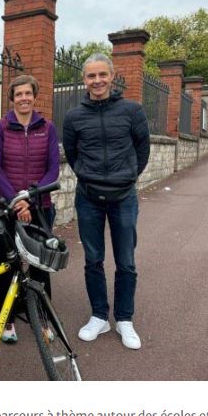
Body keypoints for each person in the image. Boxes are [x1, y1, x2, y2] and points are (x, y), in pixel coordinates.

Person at [62, 53, 150, 350]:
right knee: (93, 259)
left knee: (126, 261)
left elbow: (142, 150)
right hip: (88, 198)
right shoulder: (74, 117)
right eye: (91, 76)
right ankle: (99, 315)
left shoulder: (132, 111)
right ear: (84, 80)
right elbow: (73, 156)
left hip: (124, 197)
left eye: (102, 75)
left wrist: (127, 177)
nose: (97, 81)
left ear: (111, 76)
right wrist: (89, 176)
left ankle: (125, 319)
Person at [0, 74, 60, 343]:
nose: (24, 98)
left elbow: (53, 168)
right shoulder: (0, 128)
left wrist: (30, 198)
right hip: (6, 206)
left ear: (34, 96)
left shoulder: (47, 127)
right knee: (4, 264)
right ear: (12, 98)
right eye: (19, 94)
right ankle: (4, 320)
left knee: (40, 265)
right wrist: (17, 201)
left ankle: (42, 317)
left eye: (28, 93)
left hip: (40, 206)